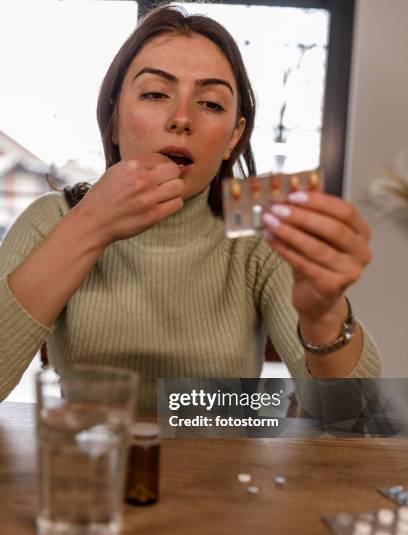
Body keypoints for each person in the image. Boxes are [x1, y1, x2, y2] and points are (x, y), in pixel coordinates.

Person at [0, 4, 380, 413]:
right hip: (93, 465)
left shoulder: (260, 224)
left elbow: (353, 419)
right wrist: (90, 224)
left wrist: (323, 313)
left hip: (227, 472)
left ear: (234, 136)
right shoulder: (53, 218)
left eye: (211, 104)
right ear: (113, 119)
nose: (182, 118)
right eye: (155, 94)